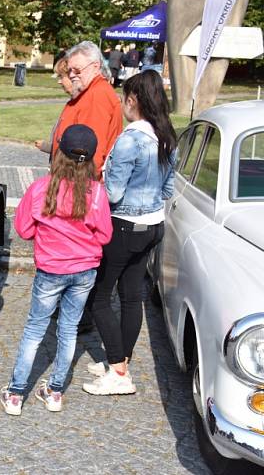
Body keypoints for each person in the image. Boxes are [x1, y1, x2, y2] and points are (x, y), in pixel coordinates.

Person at [1, 124, 113, 415]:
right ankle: (54, 392)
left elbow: (23, 229)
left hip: (51, 270)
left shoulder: (41, 188)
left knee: (35, 328)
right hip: (85, 271)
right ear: (90, 159)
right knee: (69, 330)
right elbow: (105, 236)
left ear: (59, 153)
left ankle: (15, 394)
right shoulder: (98, 193)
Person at [83, 70, 177, 396]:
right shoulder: (166, 136)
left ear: (133, 99)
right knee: (131, 295)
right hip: (154, 225)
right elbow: (168, 189)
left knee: (99, 298)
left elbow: (112, 193)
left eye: (125, 98)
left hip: (124, 225)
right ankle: (119, 359)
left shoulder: (130, 139)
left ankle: (119, 372)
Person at [50, 41, 123, 177]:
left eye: (77, 70)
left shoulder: (97, 96)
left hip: (78, 184)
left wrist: (80, 190)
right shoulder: (90, 92)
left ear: (96, 67)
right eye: (70, 70)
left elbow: (92, 153)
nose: (71, 75)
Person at [34, 58, 73, 156]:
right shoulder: (72, 103)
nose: (59, 82)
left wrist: (47, 147)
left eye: (61, 76)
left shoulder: (80, 106)